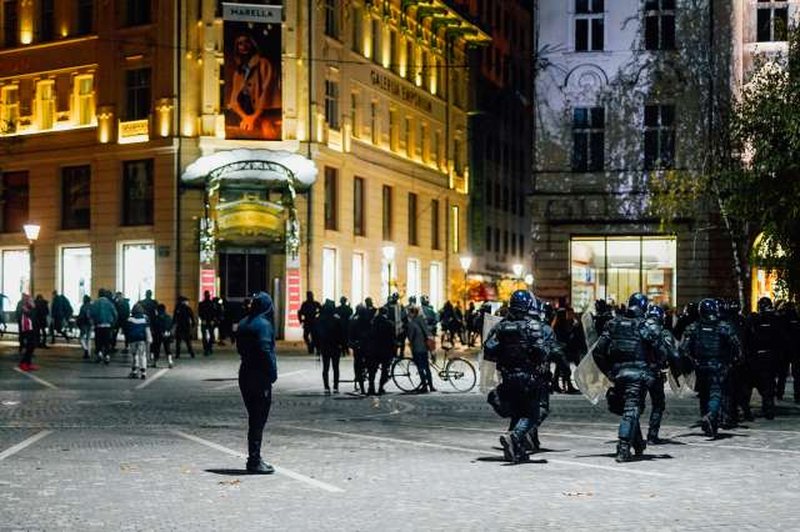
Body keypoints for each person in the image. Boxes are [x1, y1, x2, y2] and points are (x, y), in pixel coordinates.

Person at [593, 292, 677, 463]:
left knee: (630, 409)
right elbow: (662, 352)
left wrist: (609, 372)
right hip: (639, 374)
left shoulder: (613, 324)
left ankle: (637, 443)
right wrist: (658, 366)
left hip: (618, 374)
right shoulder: (646, 325)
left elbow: (598, 352)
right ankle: (623, 447)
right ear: (645, 307)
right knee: (631, 410)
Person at [484, 290, 556, 463]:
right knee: (532, 413)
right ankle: (514, 437)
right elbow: (541, 352)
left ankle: (518, 450)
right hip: (528, 377)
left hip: (507, 376)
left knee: (517, 412)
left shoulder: (501, 326)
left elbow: (488, 350)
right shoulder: (533, 326)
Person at [680, 298, 741, 438]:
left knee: (704, 394)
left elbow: (683, 349)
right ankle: (711, 415)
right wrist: (733, 361)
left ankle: (708, 425)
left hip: (701, 366)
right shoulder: (723, 326)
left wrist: (691, 361)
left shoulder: (694, 326)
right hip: (718, 365)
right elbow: (736, 345)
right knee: (715, 393)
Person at [236, 291, 278, 474]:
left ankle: (254, 457)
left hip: (245, 372)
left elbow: (239, 348)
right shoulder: (263, 325)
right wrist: (272, 372)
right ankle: (254, 459)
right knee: (258, 419)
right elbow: (265, 349)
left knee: (254, 417)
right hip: (259, 376)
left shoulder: (244, 323)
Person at [227, 32, 281, 139]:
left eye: (247, 42)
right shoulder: (239, 71)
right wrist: (245, 117)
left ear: (252, 44)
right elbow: (234, 98)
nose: (243, 46)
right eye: (240, 43)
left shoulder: (263, 63)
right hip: (245, 112)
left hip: (266, 113)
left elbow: (267, 92)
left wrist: (253, 117)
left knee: (268, 135)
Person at [744, 297, 783, 419]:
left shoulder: (754, 319)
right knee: (768, 385)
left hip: (757, 357)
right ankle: (768, 409)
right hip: (769, 357)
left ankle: (747, 410)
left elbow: (746, 337)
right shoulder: (776, 320)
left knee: (750, 384)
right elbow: (782, 340)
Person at [643, 304, 677, 444]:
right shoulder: (664, 333)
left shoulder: (638, 328)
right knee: (658, 404)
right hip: (654, 373)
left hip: (639, 372)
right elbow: (669, 353)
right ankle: (652, 435)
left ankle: (633, 435)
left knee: (635, 406)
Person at [406, 305, 435, 393]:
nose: (408, 315)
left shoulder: (412, 323)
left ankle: (424, 386)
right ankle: (431, 386)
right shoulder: (422, 320)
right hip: (424, 347)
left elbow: (411, 337)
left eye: (409, 313)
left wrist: (409, 343)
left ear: (412, 313)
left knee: (420, 367)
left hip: (417, 348)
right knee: (426, 367)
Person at [368, 306, 396, 395]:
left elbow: (370, 336)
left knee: (372, 370)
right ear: (386, 313)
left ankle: (371, 387)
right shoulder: (389, 324)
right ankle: (380, 387)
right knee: (385, 370)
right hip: (385, 351)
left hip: (374, 350)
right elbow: (392, 338)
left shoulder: (373, 323)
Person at [315, 300, 341, 394]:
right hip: (335, 346)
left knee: (326, 368)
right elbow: (341, 334)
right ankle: (335, 386)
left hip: (325, 346)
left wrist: (317, 348)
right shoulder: (336, 319)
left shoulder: (320, 319)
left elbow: (317, 335)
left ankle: (326, 386)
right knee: (335, 368)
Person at [90, 289, 118, 364]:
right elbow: (115, 314)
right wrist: (113, 324)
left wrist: (93, 322)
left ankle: (99, 354)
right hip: (108, 326)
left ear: (98, 294)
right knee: (107, 342)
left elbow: (91, 314)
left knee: (98, 341)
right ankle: (107, 356)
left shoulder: (95, 303)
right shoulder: (109, 303)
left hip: (98, 326)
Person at [349, 304, 371, 395]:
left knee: (358, 367)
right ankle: (370, 387)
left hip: (358, 347)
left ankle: (362, 388)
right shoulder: (368, 322)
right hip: (367, 347)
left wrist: (353, 343)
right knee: (369, 367)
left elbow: (351, 334)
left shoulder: (354, 321)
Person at [127, 304, 152, 380]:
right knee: (142, 355)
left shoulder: (130, 319)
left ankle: (134, 371)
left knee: (134, 355)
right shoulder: (145, 318)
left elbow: (127, 330)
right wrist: (149, 338)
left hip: (132, 339)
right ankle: (143, 372)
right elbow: (147, 329)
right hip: (142, 339)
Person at [17, 294, 37, 371]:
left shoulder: (30, 307)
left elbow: (34, 316)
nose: (33, 302)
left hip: (31, 328)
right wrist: (32, 307)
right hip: (27, 329)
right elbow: (29, 315)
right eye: (31, 300)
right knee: (29, 347)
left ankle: (28, 363)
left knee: (32, 347)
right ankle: (23, 363)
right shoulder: (24, 307)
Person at [153, 304, 174, 369]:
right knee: (167, 348)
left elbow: (155, 327)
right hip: (167, 334)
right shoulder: (168, 317)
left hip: (158, 335)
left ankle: (155, 362)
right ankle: (170, 361)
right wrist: (168, 332)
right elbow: (171, 325)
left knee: (157, 348)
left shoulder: (156, 318)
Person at [198, 290, 217, 356]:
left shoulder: (211, 303)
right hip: (206, 320)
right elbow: (200, 313)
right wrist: (203, 319)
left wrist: (213, 320)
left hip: (208, 320)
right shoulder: (202, 304)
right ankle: (207, 348)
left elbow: (214, 312)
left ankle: (208, 348)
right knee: (206, 336)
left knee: (210, 336)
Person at [76, 295, 93, 359]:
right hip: (90, 324)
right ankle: (89, 353)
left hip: (84, 324)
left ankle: (85, 349)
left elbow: (81, 316)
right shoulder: (92, 306)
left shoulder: (83, 307)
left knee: (81, 338)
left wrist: (78, 322)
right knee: (88, 339)